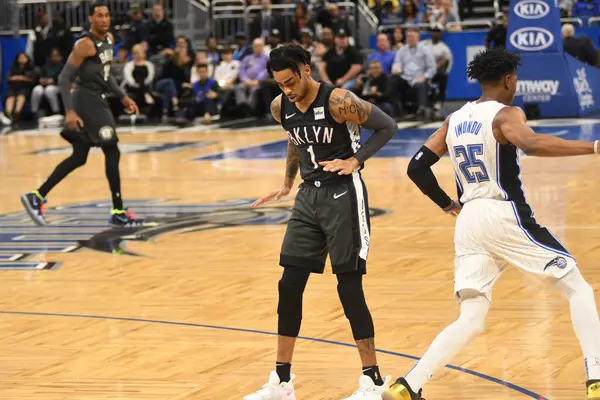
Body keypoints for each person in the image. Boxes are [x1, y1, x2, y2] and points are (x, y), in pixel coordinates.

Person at [383, 47, 600, 400]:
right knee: (578, 288)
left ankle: (408, 384)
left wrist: (447, 204)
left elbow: (416, 167)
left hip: (468, 220)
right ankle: (597, 379)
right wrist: (592, 147)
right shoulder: (506, 114)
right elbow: (530, 143)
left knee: (472, 316)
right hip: (502, 213)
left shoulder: (454, 119)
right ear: (509, 80)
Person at [245, 45, 398, 400]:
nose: (287, 90)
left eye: (291, 81)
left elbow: (387, 126)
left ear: (306, 69)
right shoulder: (280, 106)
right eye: (280, 84)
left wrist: (356, 160)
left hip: (343, 193)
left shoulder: (339, 100)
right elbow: (294, 139)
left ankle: (373, 382)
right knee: (289, 284)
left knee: (348, 287)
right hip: (307, 197)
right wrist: (287, 182)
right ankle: (282, 383)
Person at [20, 2, 144, 227]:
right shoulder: (84, 44)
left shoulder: (109, 40)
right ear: (90, 19)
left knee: (80, 155)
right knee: (112, 149)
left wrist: (122, 96)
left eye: (107, 15)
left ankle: (36, 196)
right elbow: (64, 78)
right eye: (99, 16)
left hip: (98, 98)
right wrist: (69, 111)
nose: (104, 20)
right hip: (86, 100)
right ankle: (117, 210)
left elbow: (106, 76)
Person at [4, 52, 36, 127]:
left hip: (24, 89)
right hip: (13, 88)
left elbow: (33, 80)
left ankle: (16, 117)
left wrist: (22, 78)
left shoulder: (31, 69)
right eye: (20, 57)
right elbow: (8, 79)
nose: (22, 59)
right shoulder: (13, 68)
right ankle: (9, 117)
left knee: (19, 102)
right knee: (10, 98)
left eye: (23, 57)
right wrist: (16, 78)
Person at [31, 48, 65, 118]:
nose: (55, 57)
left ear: (60, 56)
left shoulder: (63, 66)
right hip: (44, 84)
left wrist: (53, 80)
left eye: (57, 55)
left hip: (57, 85)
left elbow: (63, 78)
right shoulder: (46, 66)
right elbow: (41, 75)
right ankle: (34, 112)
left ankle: (56, 111)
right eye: (53, 56)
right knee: (37, 90)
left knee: (49, 90)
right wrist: (42, 80)